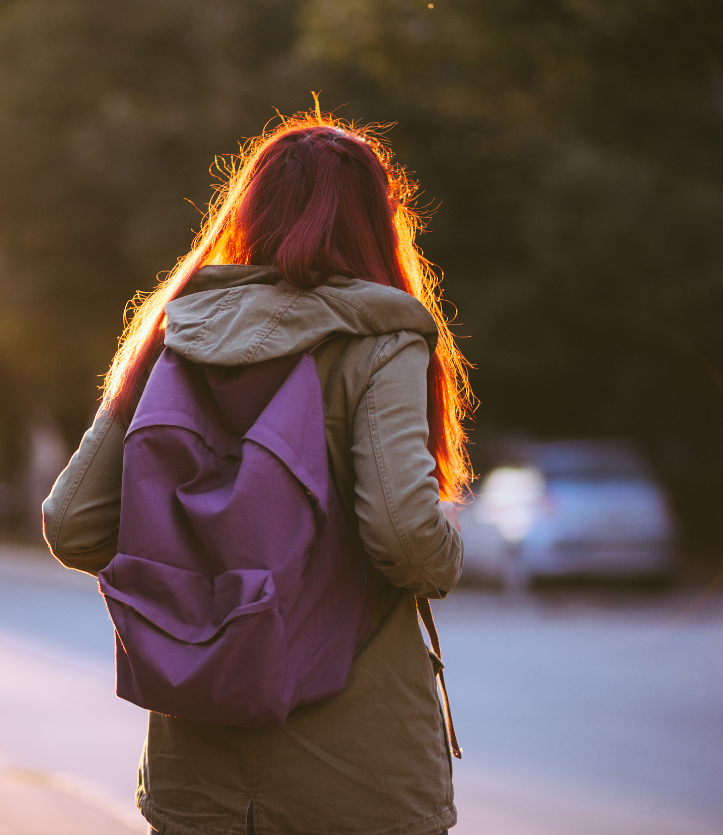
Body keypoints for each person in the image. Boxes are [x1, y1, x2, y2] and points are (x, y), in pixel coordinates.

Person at [43, 114, 471, 835]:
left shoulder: (178, 335)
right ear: (376, 220)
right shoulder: (381, 338)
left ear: (248, 211)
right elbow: (402, 534)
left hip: (198, 776)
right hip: (353, 777)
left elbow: (71, 521)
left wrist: (199, 569)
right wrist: (448, 552)